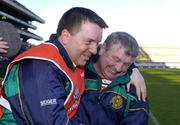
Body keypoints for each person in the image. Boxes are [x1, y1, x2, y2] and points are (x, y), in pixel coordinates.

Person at [0, 7, 108, 124]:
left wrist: (129, 73)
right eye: (88, 42)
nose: (94, 50)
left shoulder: (74, 57)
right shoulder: (42, 67)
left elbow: (109, 62)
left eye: (97, 43)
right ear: (66, 36)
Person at [78, 32, 149, 125]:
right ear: (103, 48)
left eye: (126, 64)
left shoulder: (135, 90)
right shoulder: (77, 72)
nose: (118, 68)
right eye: (116, 59)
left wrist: (133, 69)